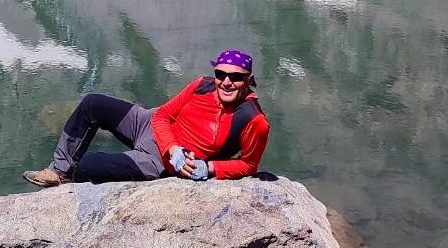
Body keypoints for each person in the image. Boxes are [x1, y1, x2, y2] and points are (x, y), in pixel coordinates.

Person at [22, 49, 270, 186]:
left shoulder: (253, 120)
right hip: (151, 126)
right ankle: (58, 171)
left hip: (160, 162)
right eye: (221, 74)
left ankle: (72, 178)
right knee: (92, 103)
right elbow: (163, 114)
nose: (226, 82)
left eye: (236, 77)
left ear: (249, 80)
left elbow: (249, 164)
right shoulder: (201, 86)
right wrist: (173, 147)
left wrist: (211, 168)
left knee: (89, 165)